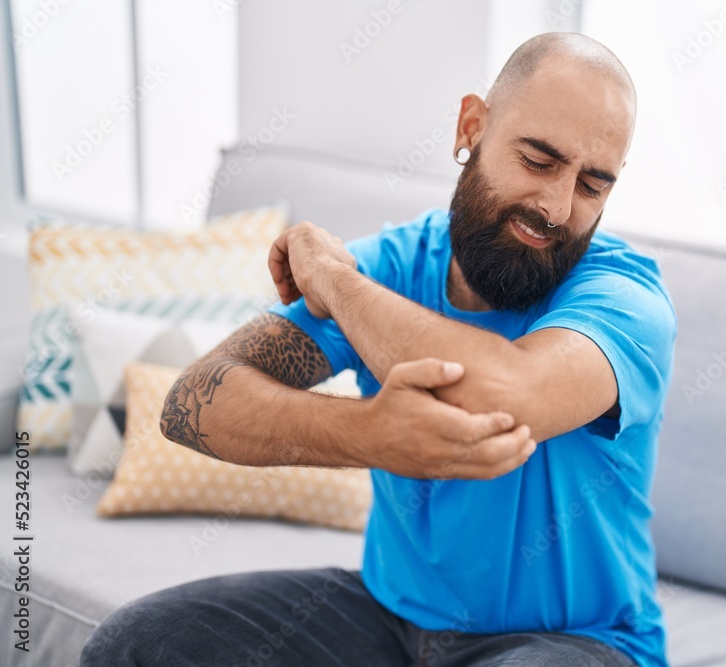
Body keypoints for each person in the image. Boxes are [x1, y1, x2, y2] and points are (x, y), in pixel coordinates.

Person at [81, 31, 677, 667]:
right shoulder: (392, 268)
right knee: (136, 646)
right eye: (538, 161)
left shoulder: (626, 299)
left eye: (592, 184)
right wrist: (369, 434)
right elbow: (195, 402)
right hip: (389, 620)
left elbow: (503, 396)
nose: (558, 207)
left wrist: (336, 282)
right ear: (471, 126)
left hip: (578, 643)